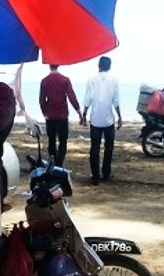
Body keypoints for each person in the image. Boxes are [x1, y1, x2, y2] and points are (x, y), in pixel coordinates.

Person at [81, 56, 122, 185]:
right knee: (109, 148)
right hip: (109, 120)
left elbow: (87, 100)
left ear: (99, 65)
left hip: (95, 120)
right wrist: (120, 117)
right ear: (109, 67)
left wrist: (84, 115)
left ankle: (95, 177)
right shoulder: (114, 81)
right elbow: (116, 101)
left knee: (94, 148)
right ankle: (106, 173)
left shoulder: (91, 80)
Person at [39, 64, 81, 167]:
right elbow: (71, 96)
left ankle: (54, 164)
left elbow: (42, 99)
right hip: (62, 115)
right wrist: (79, 111)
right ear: (58, 65)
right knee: (63, 141)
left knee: (51, 141)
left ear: (49, 66)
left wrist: (44, 112)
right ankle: (60, 163)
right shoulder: (65, 80)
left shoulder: (45, 81)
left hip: (50, 115)